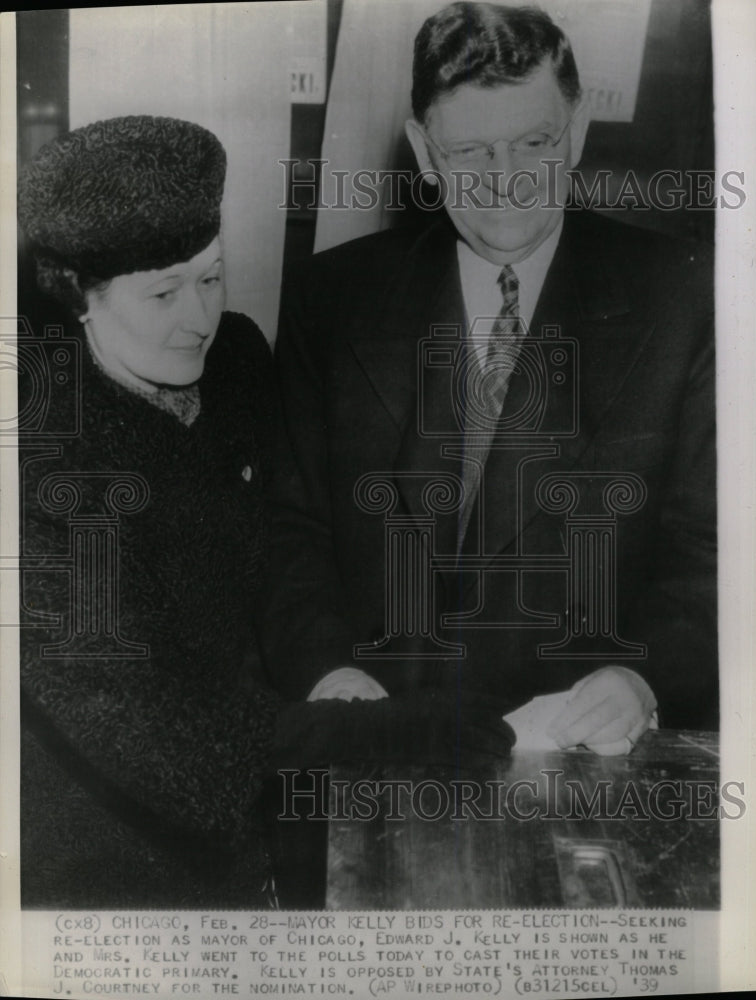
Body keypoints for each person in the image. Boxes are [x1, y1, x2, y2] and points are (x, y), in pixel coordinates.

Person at [17, 115, 514, 909]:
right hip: (115, 862)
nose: (199, 319)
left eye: (212, 278)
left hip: (270, 804)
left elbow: (295, 533)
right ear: (78, 296)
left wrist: (341, 665)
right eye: (162, 293)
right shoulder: (38, 459)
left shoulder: (239, 361)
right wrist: (387, 731)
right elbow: (158, 738)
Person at [264, 2, 717, 749]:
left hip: (575, 743)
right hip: (373, 732)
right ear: (421, 148)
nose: (505, 183)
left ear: (574, 132)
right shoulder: (330, 299)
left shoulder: (684, 299)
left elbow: (712, 549)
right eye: (470, 153)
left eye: (533, 142)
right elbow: (290, 530)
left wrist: (643, 678)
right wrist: (325, 672)